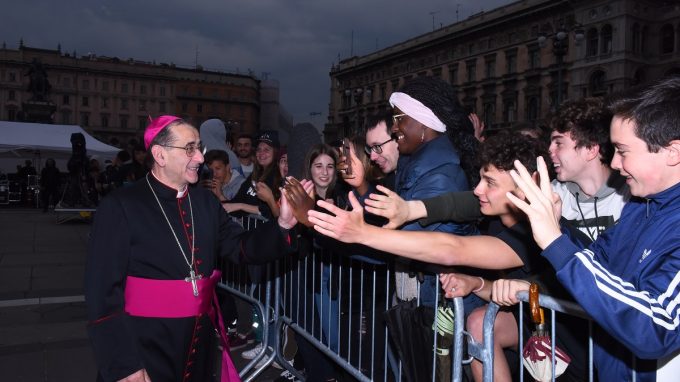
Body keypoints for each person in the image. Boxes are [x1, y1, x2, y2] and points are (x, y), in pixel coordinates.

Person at [85, 115, 303, 382]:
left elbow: (240, 247)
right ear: (160, 154)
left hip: (199, 341)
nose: (200, 157)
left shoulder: (204, 202)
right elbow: (102, 293)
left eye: (199, 147)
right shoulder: (120, 205)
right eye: (190, 148)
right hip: (145, 343)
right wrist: (124, 364)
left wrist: (281, 225)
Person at [507, 76, 680, 381]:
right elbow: (598, 264)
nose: (613, 162)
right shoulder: (641, 207)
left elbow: (657, 326)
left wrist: (556, 243)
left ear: (672, 152)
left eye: (623, 151)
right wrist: (555, 228)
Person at [226, 131, 282, 218]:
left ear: (275, 153)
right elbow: (236, 201)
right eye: (259, 149)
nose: (261, 153)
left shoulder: (278, 177)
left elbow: (270, 211)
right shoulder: (255, 175)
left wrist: (241, 206)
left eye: (266, 149)